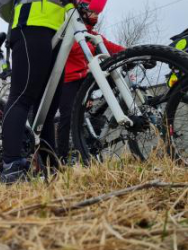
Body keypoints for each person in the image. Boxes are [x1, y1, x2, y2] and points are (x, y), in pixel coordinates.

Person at [0, 0, 67, 183]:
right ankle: (11, 165)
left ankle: (51, 166)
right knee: (22, 96)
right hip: (31, 21)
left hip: (59, 27)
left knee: (48, 107)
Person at [56, 0, 124, 161]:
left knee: (112, 77)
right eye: (93, 13)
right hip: (68, 80)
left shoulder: (91, 34)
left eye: (98, 14)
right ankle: (61, 156)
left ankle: (97, 115)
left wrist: (132, 54)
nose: (95, 17)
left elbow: (111, 47)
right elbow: (70, 48)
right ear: (83, 11)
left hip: (85, 79)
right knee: (68, 117)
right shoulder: (69, 31)